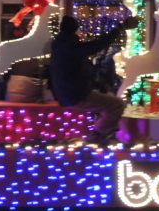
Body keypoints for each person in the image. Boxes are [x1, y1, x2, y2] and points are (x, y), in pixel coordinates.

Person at [49, 15, 126, 144]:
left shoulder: (59, 45)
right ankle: (97, 134)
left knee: (106, 99)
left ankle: (101, 133)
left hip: (65, 93)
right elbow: (96, 45)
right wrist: (119, 29)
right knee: (117, 104)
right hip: (75, 95)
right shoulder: (70, 46)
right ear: (74, 29)